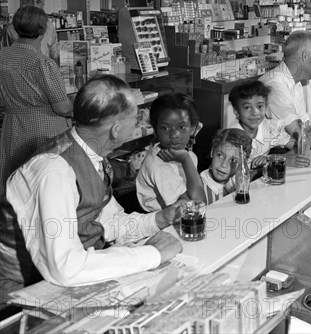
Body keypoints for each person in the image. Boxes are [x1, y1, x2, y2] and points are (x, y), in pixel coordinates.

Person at [0, 75, 183, 307]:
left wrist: (158, 219)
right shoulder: (53, 171)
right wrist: (152, 254)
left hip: (63, 286)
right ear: (116, 129)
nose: (138, 123)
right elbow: (66, 268)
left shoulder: (92, 156)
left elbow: (109, 223)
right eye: (135, 117)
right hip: (21, 301)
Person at [0, 6, 72, 190]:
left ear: (15, 27)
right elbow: (62, 108)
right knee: (44, 185)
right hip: (44, 132)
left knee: (16, 185)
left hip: (12, 128)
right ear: (43, 30)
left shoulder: (2, 57)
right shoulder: (42, 63)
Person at [136, 93, 205, 212]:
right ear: (155, 131)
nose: (174, 135)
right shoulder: (159, 165)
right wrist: (185, 159)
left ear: (193, 128)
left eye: (181, 127)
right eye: (164, 128)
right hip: (160, 225)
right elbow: (197, 207)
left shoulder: (189, 155)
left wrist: (186, 158)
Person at [228, 81, 309, 169]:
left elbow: (300, 146)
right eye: (247, 107)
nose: (255, 113)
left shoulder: (270, 128)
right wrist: (269, 162)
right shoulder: (231, 137)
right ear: (236, 112)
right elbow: (231, 173)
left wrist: (281, 159)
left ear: (266, 107)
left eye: (259, 107)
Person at [1, 0, 60, 64]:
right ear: (22, 2)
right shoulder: (10, 30)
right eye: (30, 1)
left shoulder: (49, 26)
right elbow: (4, 61)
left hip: (45, 73)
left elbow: (55, 57)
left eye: (38, 2)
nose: (34, 6)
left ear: (43, 4)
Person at [201, 128, 252, 204]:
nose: (224, 164)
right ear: (212, 152)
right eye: (220, 155)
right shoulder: (198, 186)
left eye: (233, 160)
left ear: (242, 164)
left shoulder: (238, 183)